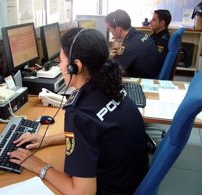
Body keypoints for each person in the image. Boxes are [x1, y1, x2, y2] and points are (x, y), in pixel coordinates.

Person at [8, 28, 148, 195]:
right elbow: (95, 133)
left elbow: (82, 193)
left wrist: (39, 166)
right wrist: (47, 140)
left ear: (76, 66)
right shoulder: (111, 87)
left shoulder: (80, 114)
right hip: (132, 181)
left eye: (61, 61)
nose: (59, 66)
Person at [106, 9, 160, 79]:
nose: (109, 31)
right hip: (152, 74)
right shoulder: (139, 35)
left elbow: (113, 70)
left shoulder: (130, 45)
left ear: (118, 30)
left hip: (142, 81)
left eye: (109, 29)